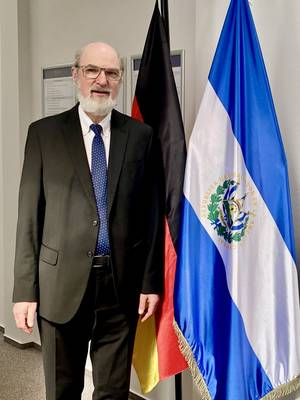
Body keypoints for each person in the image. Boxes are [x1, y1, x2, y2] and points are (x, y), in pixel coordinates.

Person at [12, 41, 164, 400]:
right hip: (59, 287)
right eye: (93, 70)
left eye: (111, 73)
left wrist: (150, 282)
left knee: (113, 392)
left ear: (120, 80)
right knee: (62, 390)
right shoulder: (44, 135)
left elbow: (151, 214)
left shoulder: (140, 137)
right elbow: (29, 218)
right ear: (76, 74)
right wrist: (24, 292)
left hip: (120, 286)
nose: (102, 80)